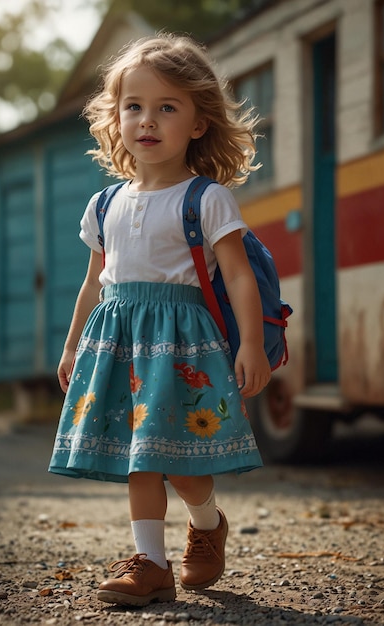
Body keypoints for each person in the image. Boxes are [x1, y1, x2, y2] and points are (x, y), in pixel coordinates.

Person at [49, 32, 271, 607]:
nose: (147, 120)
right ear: (116, 117)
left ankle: (207, 522)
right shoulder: (104, 205)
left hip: (183, 346)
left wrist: (251, 345)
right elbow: (94, 283)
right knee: (138, 458)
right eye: (134, 107)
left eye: (166, 107)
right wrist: (72, 345)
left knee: (184, 468)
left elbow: (240, 276)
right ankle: (149, 564)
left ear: (198, 123)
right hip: (119, 344)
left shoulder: (206, 198)